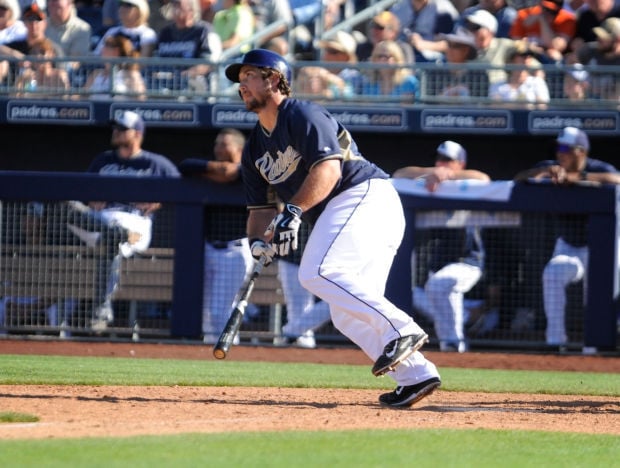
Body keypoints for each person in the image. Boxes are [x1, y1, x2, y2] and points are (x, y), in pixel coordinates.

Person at [224, 48, 441, 407]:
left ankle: (403, 329)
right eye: (240, 79)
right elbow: (260, 210)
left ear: (274, 79)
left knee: (318, 272)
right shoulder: (253, 150)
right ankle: (416, 375)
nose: (242, 84)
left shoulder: (301, 113)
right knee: (345, 314)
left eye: (249, 75)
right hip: (350, 213)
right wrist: (257, 243)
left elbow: (329, 170)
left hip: (364, 196)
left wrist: (292, 211)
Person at [70, 110, 180, 330]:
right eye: (115, 128)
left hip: (134, 222)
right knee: (68, 207)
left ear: (137, 133)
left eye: (122, 129)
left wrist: (160, 201)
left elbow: (183, 189)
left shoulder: (155, 163)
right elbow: (83, 190)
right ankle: (116, 236)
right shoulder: (103, 159)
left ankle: (102, 308)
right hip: (99, 220)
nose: (116, 132)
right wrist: (90, 198)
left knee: (113, 236)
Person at [513, 127, 620, 349]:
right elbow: (518, 178)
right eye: (558, 149)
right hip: (569, 245)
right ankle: (555, 343)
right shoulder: (551, 167)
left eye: (565, 149)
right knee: (552, 274)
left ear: (581, 151)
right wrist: (540, 173)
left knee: (598, 296)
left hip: (602, 246)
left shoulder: (597, 168)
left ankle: (595, 347)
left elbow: (616, 178)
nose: (560, 154)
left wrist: (579, 178)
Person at [392, 141, 491, 352]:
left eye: (448, 160)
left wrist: (450, 175)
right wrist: (433, 172)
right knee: (422, 289)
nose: (441, 163)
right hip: (437, 265)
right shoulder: (428, 181)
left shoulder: (468, 184)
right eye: (440, 159)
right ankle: (457, 335)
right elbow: (399, 173)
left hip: (468, 262)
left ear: (461, 163)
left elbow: (484, 178)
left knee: (439, 285)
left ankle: (455, 341)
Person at [177, 128, 254, 345]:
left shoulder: (250, 170)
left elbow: (234, 173)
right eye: (217, 144)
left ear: (239, 149)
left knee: (220, 310)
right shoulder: (209, 169)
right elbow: (185, 165)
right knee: (202, 309)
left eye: (224, 144)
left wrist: (218, 172)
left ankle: (228, 350)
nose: (218, 148)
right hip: (208, 248)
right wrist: (217, 168)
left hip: (234, 249)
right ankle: (209, 358)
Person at [154, 0, 222, 93]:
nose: (174, 8)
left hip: (193, 82)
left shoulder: (203, 31)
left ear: (191, 9)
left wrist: (181, 76)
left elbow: (207, 63)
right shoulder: (165, 33)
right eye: (173, 4)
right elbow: (155, 60)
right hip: (165, 82)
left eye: (178, 4)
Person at [423, 26, 489, 100]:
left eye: (455, 46)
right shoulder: (435, 74)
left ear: (466, 50)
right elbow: (429, 102)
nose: (450, 50)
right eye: (449, 45)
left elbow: (481, 104)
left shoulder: (479, 75)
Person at [295, 30, 362, 100]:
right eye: (326, 50)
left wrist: (329, 79)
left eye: (332, 51)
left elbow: (349, 97)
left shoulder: (354, 76)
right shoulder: (318, 73)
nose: (326, 54)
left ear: (346, 56)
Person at [508, 0, 576, 64]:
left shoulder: (566, 19)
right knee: (519, 56)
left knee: (555, 55)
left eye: (551, 11)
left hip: (548, 58)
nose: (547, 13)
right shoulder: (524, 15)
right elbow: (516, 42)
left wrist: (542, 20)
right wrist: (533, 49)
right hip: (528, 55)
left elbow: (557, 46)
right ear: (540, 4)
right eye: (545, 9)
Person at [83, 33, 146, 99]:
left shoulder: (131, 74)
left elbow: (140, 98)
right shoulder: (95, 73)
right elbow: (83, 97)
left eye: (106, 46)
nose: (102, 49)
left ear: (116, 51)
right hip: (96, 109)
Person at [466, 8, 517, 85]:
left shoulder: (504, 44)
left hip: (499, 93)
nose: (473, 32)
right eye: (470, 27)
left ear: (490, 30)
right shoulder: (467, 49)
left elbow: (530, 60)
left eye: (476, 27)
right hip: (475, 93)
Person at [576, 17, 620, 100]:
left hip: (612, 108)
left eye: (604, 37)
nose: (599, 39)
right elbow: (571, 62)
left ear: (617, 40)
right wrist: (579, 80)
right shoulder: (589, 51)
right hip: (587, 103)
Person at [93, 0, 157, 57]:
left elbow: (143, 63)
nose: (122, 8)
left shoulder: (148, 34)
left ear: (140, 10)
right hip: (109, 70)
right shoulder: (112, 31)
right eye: (121, 4)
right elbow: (97, 56)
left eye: (128, 5)